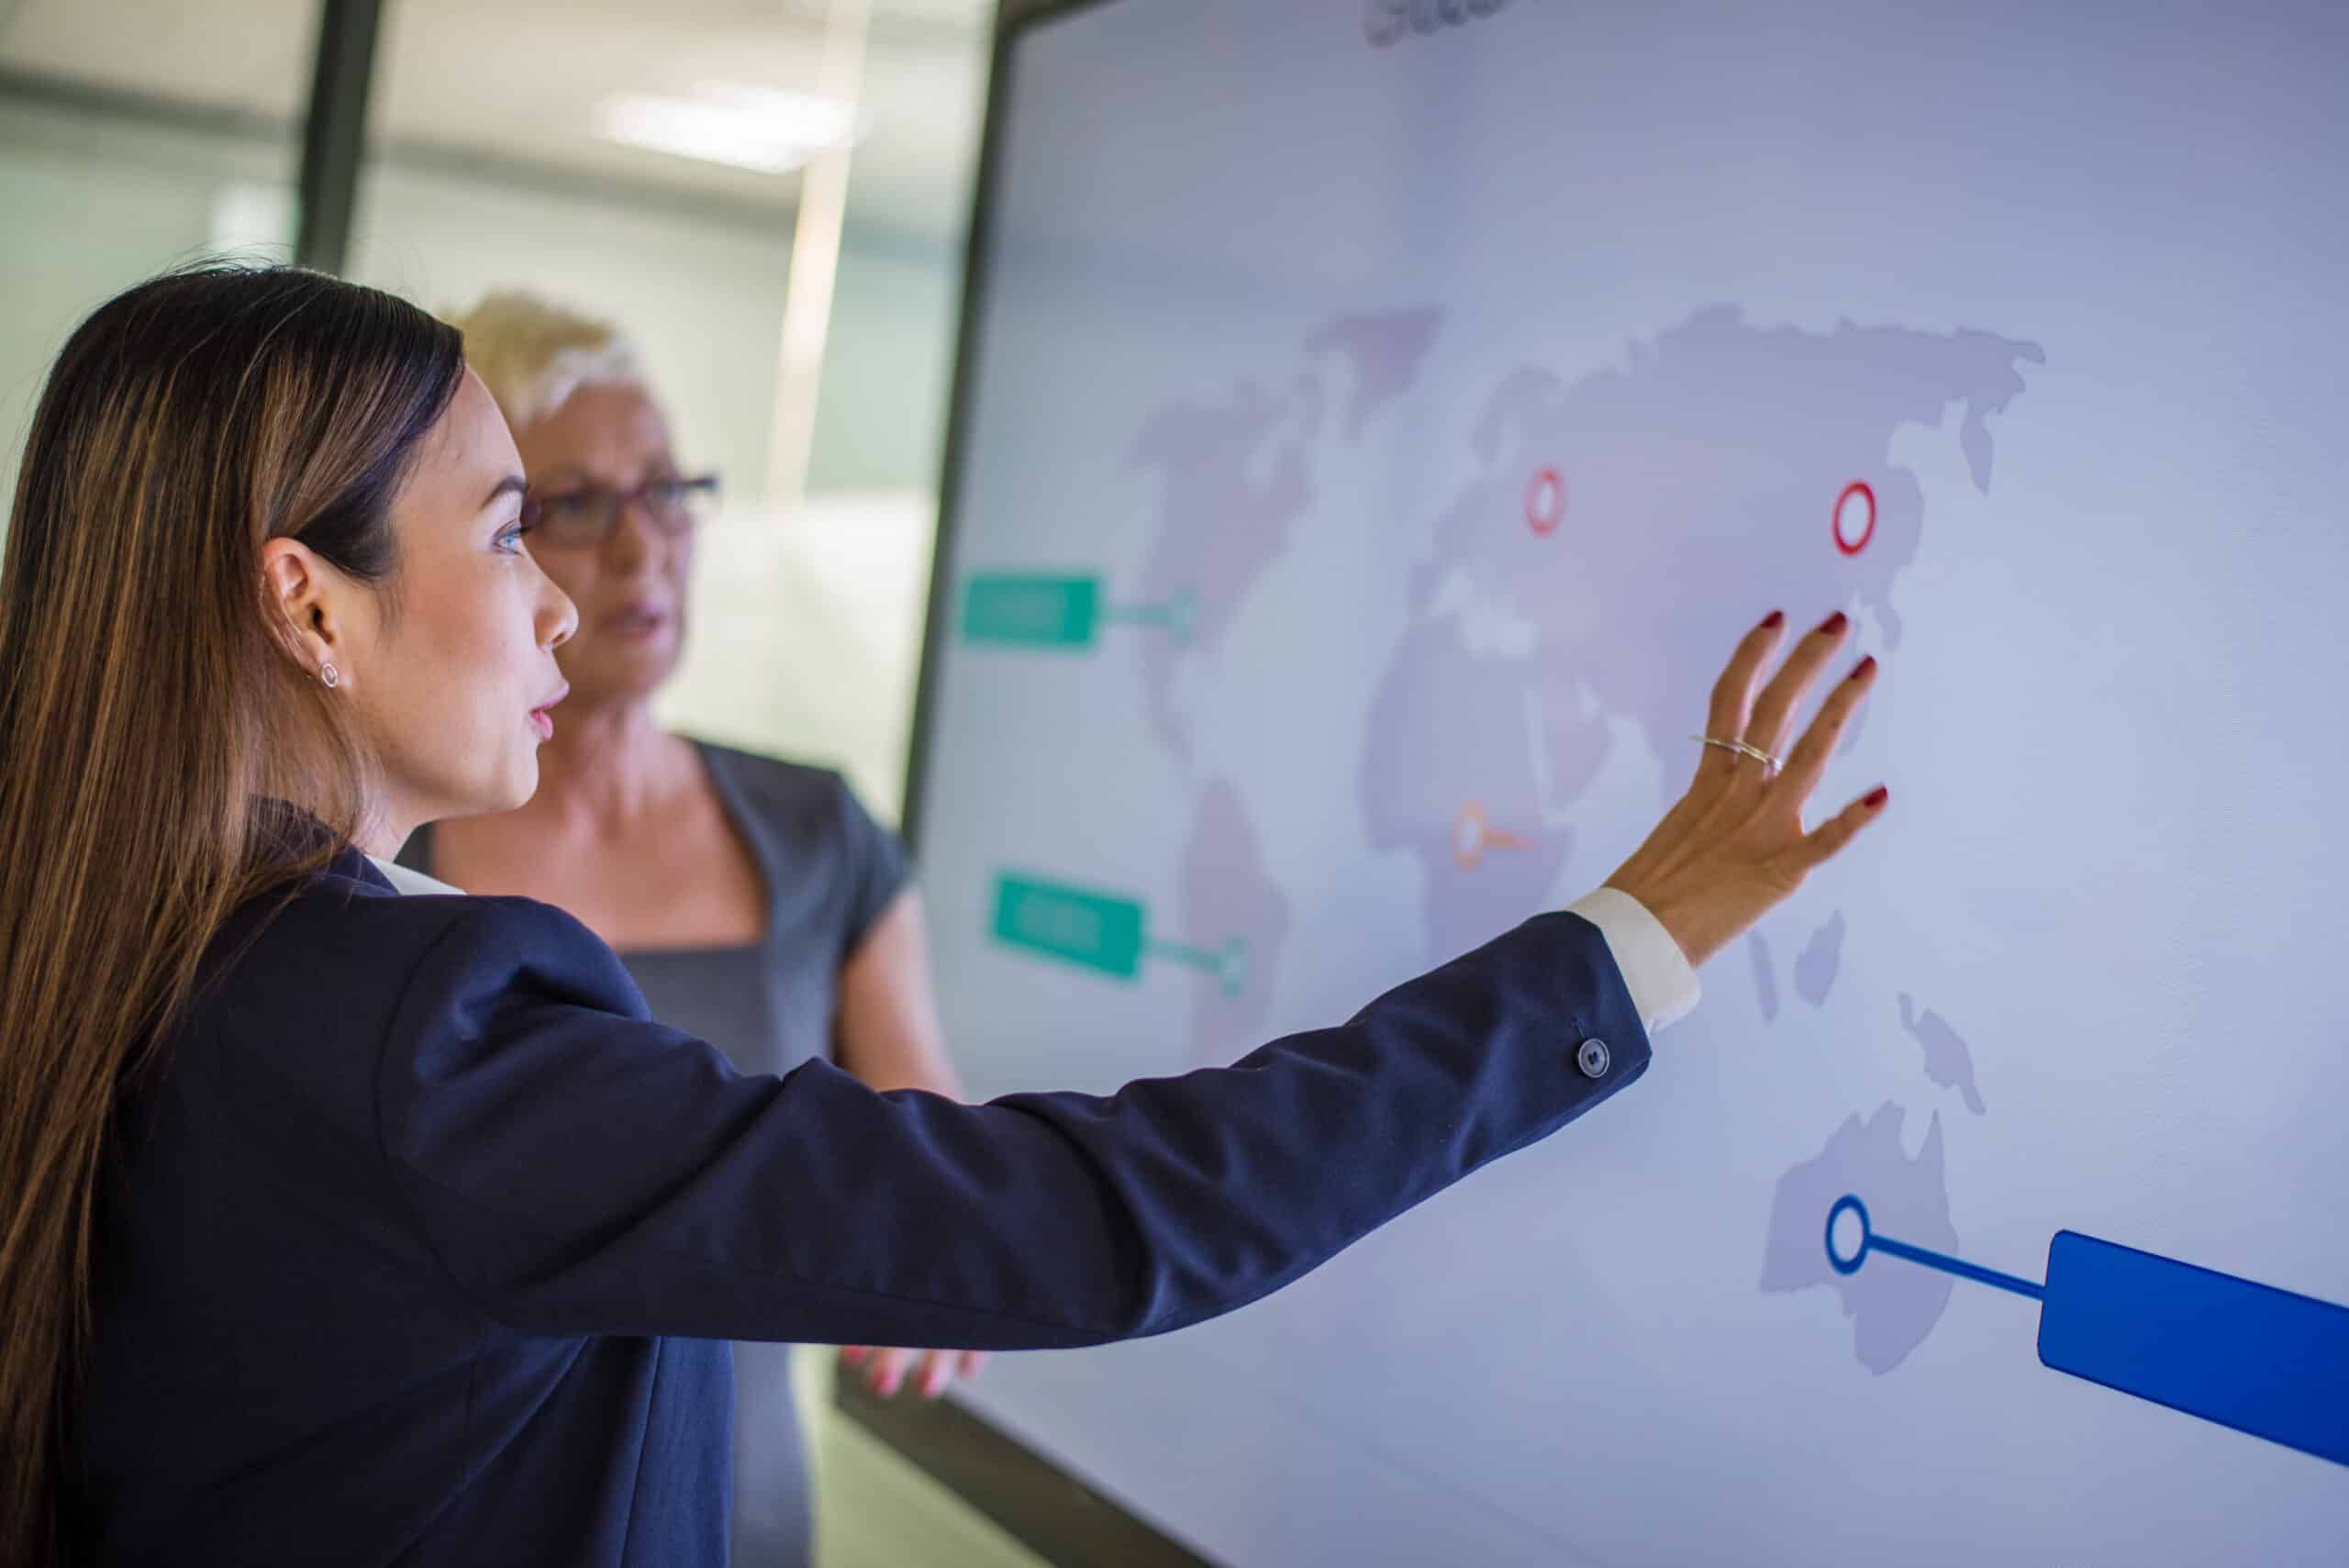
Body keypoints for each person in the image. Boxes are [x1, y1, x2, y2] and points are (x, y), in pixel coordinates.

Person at [0, 264, 1888, 1568]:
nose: (571, 598)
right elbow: (1089, 1220)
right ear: (309, 605)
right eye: (512, 529)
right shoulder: (421, 1021)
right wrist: (1622, 944)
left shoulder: (144, 956)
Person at [395, 292, 972, 1567]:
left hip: (742, 1518)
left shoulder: (820, 835)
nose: (642, 547)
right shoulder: (389, 846)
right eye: (577, 504)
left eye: (668, 492)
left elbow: (928, 1145)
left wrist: (943, 1261)